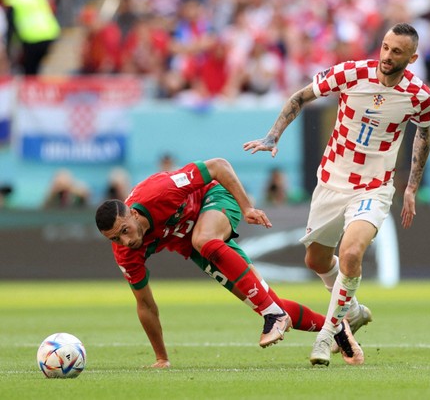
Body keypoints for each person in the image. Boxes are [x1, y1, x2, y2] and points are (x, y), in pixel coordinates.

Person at [244, 23, 430, 366]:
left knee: (350, 254)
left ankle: (326, 336)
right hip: (333, 180)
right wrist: (273, 136)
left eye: (397, 52)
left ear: (412, 57)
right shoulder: (351, 72)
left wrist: (411, 188)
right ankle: (355, 311)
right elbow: (299, 97)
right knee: (316, 261)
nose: (387, 56)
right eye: (386, 47)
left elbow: (423, 134)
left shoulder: (419, 96)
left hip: (375, 187)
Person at [95, 157, 360, 368]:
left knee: (205, 239)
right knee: (261, 295)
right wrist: (162, 358)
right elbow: (145, 305)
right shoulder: (125, 254)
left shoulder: (158, 193)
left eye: (125, 230)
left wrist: (247, 208)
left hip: (215, 199)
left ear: (131, 213)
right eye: (115, 238)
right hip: (193, 244)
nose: (125, 241)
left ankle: (274, 315)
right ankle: (335, 326)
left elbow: (218, 166)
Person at [1, 0, 60, 75]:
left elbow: (11, 27)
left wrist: (9, 49)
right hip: (50, 33)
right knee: (35, 67)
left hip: (32, 36)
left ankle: (32, 86)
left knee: (30, 68)